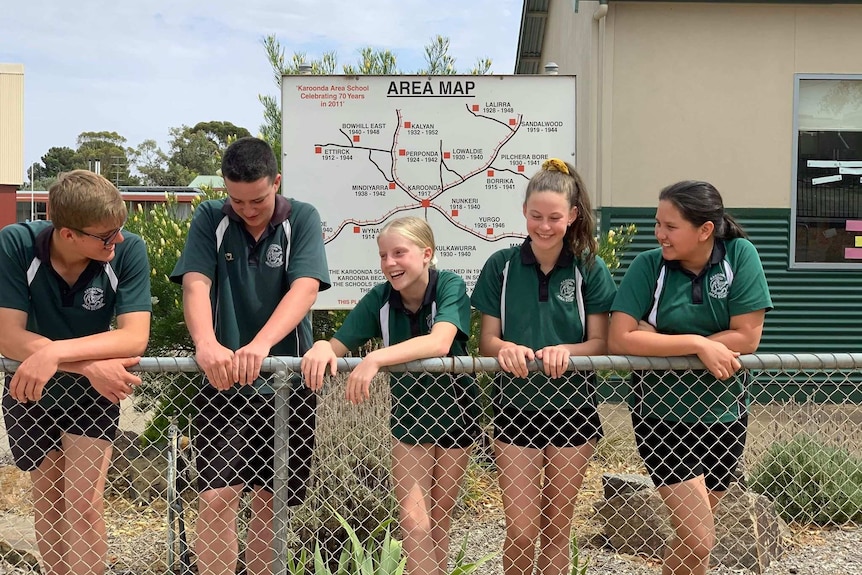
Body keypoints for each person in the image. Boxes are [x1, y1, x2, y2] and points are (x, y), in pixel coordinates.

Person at [170, 137, 330, 575]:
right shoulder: (210, 217)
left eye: (257, 198)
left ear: (276, 182)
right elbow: (196, 283)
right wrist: (206, 343)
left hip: (288, 383)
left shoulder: (303, 217)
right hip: (223, 381)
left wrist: (260, 346)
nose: (247, 208)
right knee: (215, 498)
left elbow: (306, 288)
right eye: (236, 199)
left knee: (269, 500)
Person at [608, 180, 772, 575]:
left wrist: (656, 340)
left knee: (691, 542)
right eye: (657, 223)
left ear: (705, 230)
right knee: (700, 538)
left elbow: (747, 336)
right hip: (661, 418)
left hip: (724, 417)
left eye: (670, 226)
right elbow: (619, 338)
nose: (659, 234)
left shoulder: (740, 255)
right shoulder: (649, 266)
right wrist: (699, 345)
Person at [301, 216, 478, 575]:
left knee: (438, 523)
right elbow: (335, 345)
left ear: (426, 254)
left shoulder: (450, 286)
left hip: (458, 414)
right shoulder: (380, 299)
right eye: (384, 255)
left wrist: (375, 358)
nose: (390, 263)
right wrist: (320, 346)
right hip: (410, 419)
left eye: (400, 253)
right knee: (414, 522)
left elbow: (439, 342)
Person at [0, 170, 152, 575]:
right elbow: (8, 336)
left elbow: (135, 338)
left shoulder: (128, 250)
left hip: (91, 395)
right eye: (105, 236)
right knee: (48, 500)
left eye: (119, 230)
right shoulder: (16, 244)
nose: (116, 241)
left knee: (84, 505)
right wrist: (85, 365)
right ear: (67, 234)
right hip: (30, 386)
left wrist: (54, 355)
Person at [471, 159, 617, 575]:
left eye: (555, 217)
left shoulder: (590, 267)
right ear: (524, 213)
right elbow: (487, 341)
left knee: (555, 531)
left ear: (572, 216)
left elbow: (601, 343)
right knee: (520, 530)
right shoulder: (501, 266)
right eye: (536, 216)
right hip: (514, 410)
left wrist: (567, 351)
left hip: (574, 411)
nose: (545, 226)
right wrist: (505, 350)